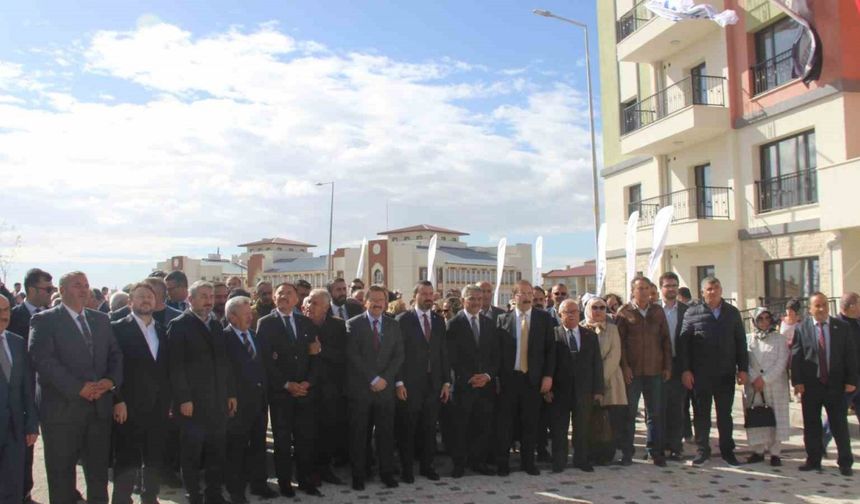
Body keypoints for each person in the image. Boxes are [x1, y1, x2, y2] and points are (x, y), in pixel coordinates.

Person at [29, 271, 123, 504]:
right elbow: (43, 360)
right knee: (61, 477)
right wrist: (78, 388)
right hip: (62, 412)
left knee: (98, 476)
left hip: (98, 411)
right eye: (77, 285)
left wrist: (110, 382)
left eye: (86, 285)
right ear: (61, 290)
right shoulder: (45, 320)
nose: (84, 289)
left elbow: (115, 355)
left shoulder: (101, 320)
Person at [168, 281, 237, 504]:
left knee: (216, 452)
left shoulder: (216, 325)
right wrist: (184, 399)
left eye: (211, 296)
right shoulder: (179, 325)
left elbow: (224, 362)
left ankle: (214, 494)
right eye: (204, 296)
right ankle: (194, 495)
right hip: (193, 404)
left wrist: (230, 393)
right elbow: (175, 367)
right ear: (190, 299)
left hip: (217, 402)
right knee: (192, 454)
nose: (209, 301)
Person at [256, 283, 320, 497]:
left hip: (304, 392)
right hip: (281, 393)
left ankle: (305, 480)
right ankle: (285, 483)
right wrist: (286, 384)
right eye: (280, 293)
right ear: (274, 298)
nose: (284, 296)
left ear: (296, 299)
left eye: (288, 293)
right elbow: (265, 360)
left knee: (305, 439)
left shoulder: (305, 322)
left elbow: (314, 355)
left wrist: (307, 383)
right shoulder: (265, 324)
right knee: (282, 441)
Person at [111, 282, 171, 504]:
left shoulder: (163, 331)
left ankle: (149, 496)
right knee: (127, 457)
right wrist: (118, 400)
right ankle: (121, 498)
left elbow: (166, 370)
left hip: (158, 406)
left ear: (155, 302)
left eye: (150, 297)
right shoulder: (117, 328)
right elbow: (112, 368)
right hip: (128, 406)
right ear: (130, 302)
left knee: (154, 455)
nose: (146, 300)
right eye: (141, 296)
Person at [679, 276, 748, 467]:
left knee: (725, 414)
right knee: (701, 414)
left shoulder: (732, 313)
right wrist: (685, 370)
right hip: (700, 374)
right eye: (709, 289)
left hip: (725, 373)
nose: (713, 291)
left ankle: (727, 451)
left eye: (716, 288)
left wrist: (742, 368)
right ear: (702, 292)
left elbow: (741, 342)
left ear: (721, 290)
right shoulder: (692, 312)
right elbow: (683, 345)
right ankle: (703, 451)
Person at [791, 292, 858, 476]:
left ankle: (845, 462)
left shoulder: (841, 327)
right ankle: (813, 460)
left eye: (824, 305)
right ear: (810, 308)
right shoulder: (802, 328)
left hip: (835, 386)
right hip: (811, 386)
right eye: (817, 305)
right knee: (811, 425)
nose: (821, 309)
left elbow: (850, 356)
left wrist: (852, 381)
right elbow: (796, 357)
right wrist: (797, 382)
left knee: (839, 425)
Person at [346, 285, 404, 490]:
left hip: (385, 391)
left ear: (386, 303)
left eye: (382, 300)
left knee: (386, 434)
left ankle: (386, 473)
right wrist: (372, 379)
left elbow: (398, 356)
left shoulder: (393, 325)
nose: (378, 303)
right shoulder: (353, 325)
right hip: (361, 390)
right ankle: (358, 475)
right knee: (359, 435)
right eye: (374, 299)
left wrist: (385, 379)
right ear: (365, 301)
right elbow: (353, 356)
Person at [495, 280, 555, 476]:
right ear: (514, 297)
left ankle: (528, 462)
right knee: (505, 424)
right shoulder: (503, 320)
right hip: (509, 380)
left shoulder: (544, 320)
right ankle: (503, 463)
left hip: (533, 380)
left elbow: (550, 352)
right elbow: (497, 354)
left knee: (531, 423)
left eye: (530, 293)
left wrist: (547, 376)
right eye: (523, 293)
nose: (528, 297)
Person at [394, 281, 451, 483]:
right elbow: (397, 354)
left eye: (431, 294)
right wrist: (398, 382)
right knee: (408, 429)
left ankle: (427, 467)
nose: (429, 297)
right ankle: (407, 470)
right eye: (424, 293)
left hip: (433, 384)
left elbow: (443, 352)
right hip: (409, 385)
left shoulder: (438, 320)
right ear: (415, 295)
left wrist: (446, 381)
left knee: (428, 429)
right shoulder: (402, 320)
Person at [222, 296, 277, 503]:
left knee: (258, 446)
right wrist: (229, 394)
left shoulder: (254, 336)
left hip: (259, 402)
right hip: (237, 404)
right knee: (236, 449)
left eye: (251, 313)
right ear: (232, 317)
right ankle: (236, 491)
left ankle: (259, 485)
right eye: (245, 315)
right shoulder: (224, 338)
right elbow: (224, 370)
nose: (250, 317)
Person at [615, 276, 671, 467]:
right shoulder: (624, 313)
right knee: (629, 414)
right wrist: (625, 367)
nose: (644, 292)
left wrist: (667, 366)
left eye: (647, 288)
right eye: (640, 288)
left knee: (655, 413)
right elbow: (619, 344)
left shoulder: (657, 311)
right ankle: (627, 453)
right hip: (633, 372)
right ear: (633, 291)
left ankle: (655, 452)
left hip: (655, 371)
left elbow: (665, 340)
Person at [8, 268, 53, 503]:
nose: (51, 292)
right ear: (32, 290)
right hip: (18, 393)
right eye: (48, 289)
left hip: (47, 391)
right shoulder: (11, 316)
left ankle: (26, 490)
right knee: (20, 446)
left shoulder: (52, 316)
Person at [447, 284, 499, 478]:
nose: (477, 302)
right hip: (463, 386)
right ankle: (459, 464)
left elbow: (496, 356)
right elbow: (451, 357)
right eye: (472, 299)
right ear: (463, 301)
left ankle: (478, 462)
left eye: (479, 298)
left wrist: (486, 376)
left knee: (482, 426)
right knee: (460, 427)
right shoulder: (453, 324)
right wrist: (469, 377)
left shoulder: (488, 323)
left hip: (485, 386)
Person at [547, 299, 602, 473]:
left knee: (582, 428)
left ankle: (581, 459)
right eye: (567, 312)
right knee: (559, 428)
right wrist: (547, 388)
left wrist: (598, 390)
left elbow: (597, 364)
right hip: (559, 391)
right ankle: (559, 460)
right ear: (560, 314)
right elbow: (547, 363)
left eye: (574, 311)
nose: (571, 315)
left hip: (583, 391)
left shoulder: (590, 336)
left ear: (579, 313)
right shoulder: (553, 334)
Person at [301, 289, 347, 485]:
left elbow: (344, 355)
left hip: (330, 389)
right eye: (309, 302)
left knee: (328, 431)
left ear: (327, 307)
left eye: (315, 303)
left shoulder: (338, 326)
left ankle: (325, 468)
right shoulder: (299, 323)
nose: (310, 306)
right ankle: (308, 472)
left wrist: (320, 351)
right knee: (307, 432)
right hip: (305, 388)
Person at [0, 295, 38, 504]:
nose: (3, 316)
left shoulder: (16, 342)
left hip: (15, 430)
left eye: (6, 310)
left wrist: (31, 423)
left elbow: (27, 387)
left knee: (12, 487)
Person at [581, 296, 627, 465]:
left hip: (610, 380)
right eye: (595, 307)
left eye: (602, 307)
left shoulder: (613, 329)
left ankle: (607, 454)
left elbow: (614, 356)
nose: (599, 311)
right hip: (587, 382)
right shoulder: (580, 328)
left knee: (610, 421)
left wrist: (599, 381)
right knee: (590, 420)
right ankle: (591, 452)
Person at [743, 308, 789, 467]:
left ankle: (775, 453)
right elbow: (744, 361)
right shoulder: (748, 339)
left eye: (766, 318)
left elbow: (781, 362)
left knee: (776, 418)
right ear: (755, 321)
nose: (763, 321)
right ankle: (758, 451)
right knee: (758, 417)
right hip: (754, 386)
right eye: (760, 318)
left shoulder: (779, 339)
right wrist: (755, 379)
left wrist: (765, 379)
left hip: (775, 384)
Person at [658, 272, 689, 460]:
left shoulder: (687, 310)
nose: (671, 289)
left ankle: (676, 446)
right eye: (667, 285)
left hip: (679, 364)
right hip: (658, 365)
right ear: (661, 288)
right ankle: (658, 446)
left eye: (674, 285)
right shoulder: (654, 310)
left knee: (677, 408)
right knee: (657, 408)